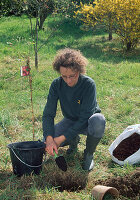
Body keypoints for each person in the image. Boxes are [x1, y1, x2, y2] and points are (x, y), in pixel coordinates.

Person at [42, 48, 106, 171]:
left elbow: (84, 118)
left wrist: (61, 139)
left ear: (79, 71)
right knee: (47, 139)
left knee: (99, 120)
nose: (68, 80)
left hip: (88, 122)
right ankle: (73, 140)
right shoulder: (56, 85)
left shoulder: (88, 85)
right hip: (70, 120)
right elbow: (48, 114)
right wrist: (50, 139)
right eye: (64, 76)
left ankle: (88, 154)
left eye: (72, 76)